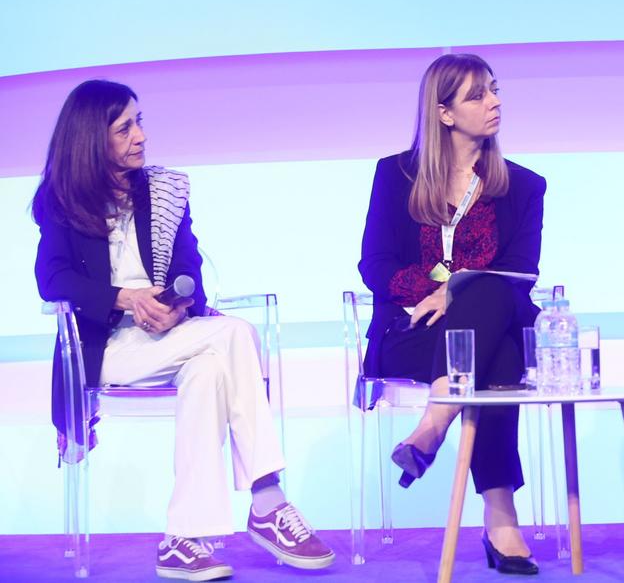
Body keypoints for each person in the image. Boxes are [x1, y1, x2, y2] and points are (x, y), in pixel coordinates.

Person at [33, 80, 334, 580]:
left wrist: (177, 307)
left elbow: (189, 265)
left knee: (210, 370)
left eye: (139, 121)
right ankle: (267, 498)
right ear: (91, 137)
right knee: (235, 334)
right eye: (124, 128)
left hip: (171, 336)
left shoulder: (164, 190)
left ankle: (184, 538)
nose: (140, 135)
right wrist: (125, 298)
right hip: (106, 346)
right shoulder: (61, 198)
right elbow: (53, 280)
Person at [358, 53, 545, 576]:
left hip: (491, 323)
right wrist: (437, 292)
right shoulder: (395, 175)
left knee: (490, 293)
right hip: (412, 331)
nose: (494, 102)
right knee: (497, 351)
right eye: (478, 95)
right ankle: (501, 518)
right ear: (443, 113)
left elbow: (522, 273)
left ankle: (434, 422)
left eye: (495, 89)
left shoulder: (524, 186)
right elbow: (375, 264)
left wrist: (459, 291)